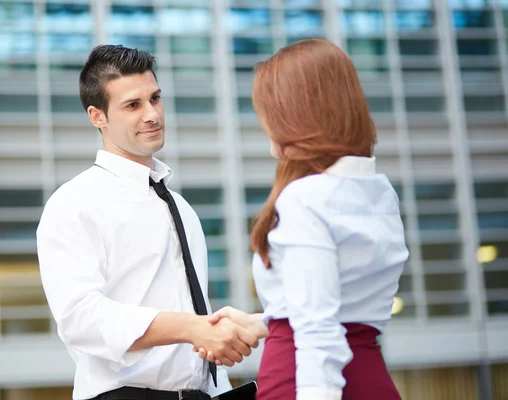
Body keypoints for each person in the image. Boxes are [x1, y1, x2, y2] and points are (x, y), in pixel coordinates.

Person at [36, 44, 260, 400]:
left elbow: (191, 314)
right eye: (133, 105)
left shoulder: (180, 207)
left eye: (155, 98)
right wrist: (192, 329)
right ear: (98, 116)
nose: (152, 114)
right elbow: (80, 318)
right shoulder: (74, 203)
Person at [197, 38, 409, 400]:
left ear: (294, 114)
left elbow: (318, 329)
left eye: (268, 114)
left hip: (305, 381)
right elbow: (343, 308)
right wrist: (266, 321)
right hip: (369, 377)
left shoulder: (305, 198)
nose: (267, 130)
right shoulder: (378, 190)